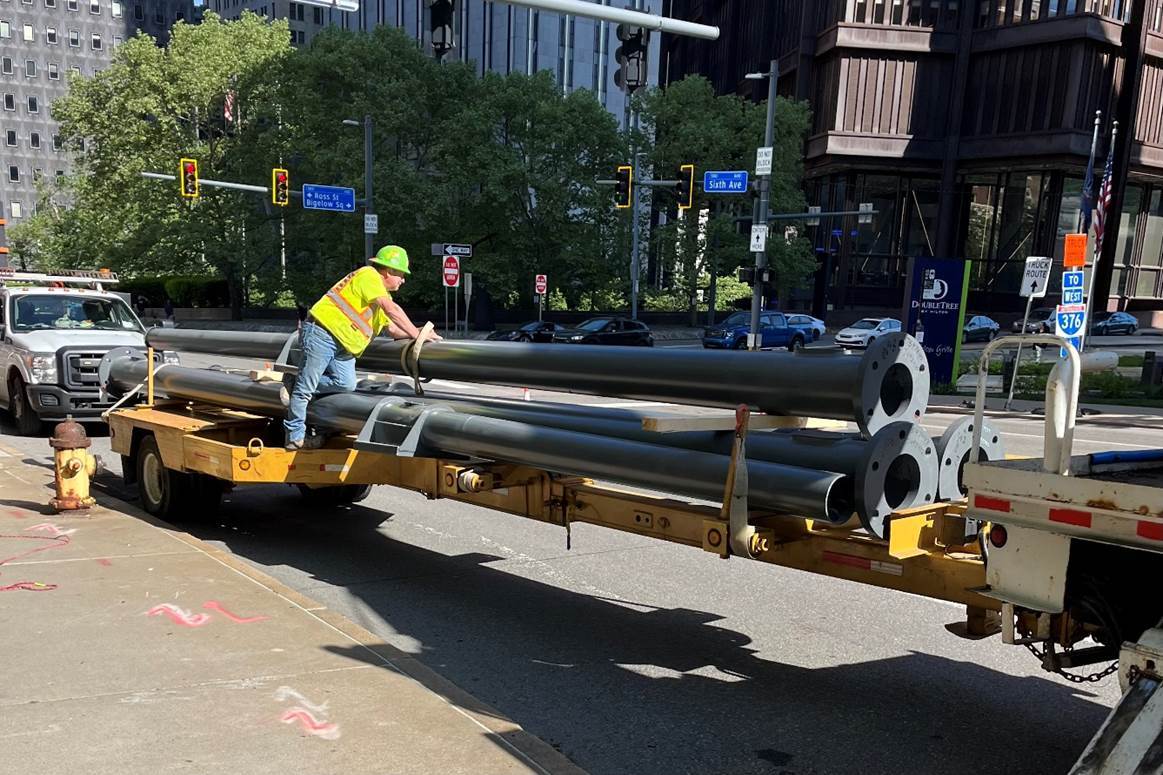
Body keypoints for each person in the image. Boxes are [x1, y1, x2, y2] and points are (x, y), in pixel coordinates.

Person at [284, 245, 440, 450]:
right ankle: (294, 436)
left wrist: (420, 333)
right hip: (323, 333)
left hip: (344, 347)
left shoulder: (379, 295)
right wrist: (416, 334)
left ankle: (295, 382)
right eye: (401, 275)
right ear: (388, 271)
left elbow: (393, 330)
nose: (403, 280)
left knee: (345, 384)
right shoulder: (369, 276)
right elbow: (391, 310)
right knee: (305, 391)